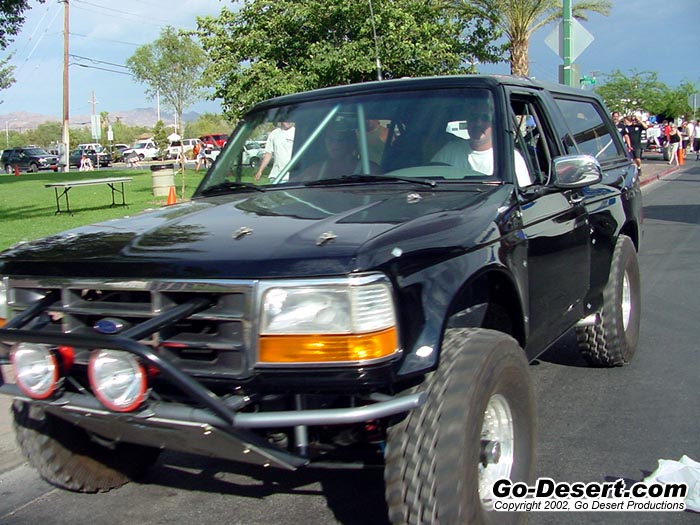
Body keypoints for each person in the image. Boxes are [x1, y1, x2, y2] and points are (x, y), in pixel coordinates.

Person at [432, 100, 532, 187]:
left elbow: (522, 196)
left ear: (494, 123)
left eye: (485, 118)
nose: (478, 123)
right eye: (474, 117)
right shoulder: (450, 151)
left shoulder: (511, 158)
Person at [301, 123, 381, 181]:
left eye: (339, 139)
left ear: (351, 142)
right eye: (330, 139)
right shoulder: (316, 170)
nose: (334, 144)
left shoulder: (370, 170)